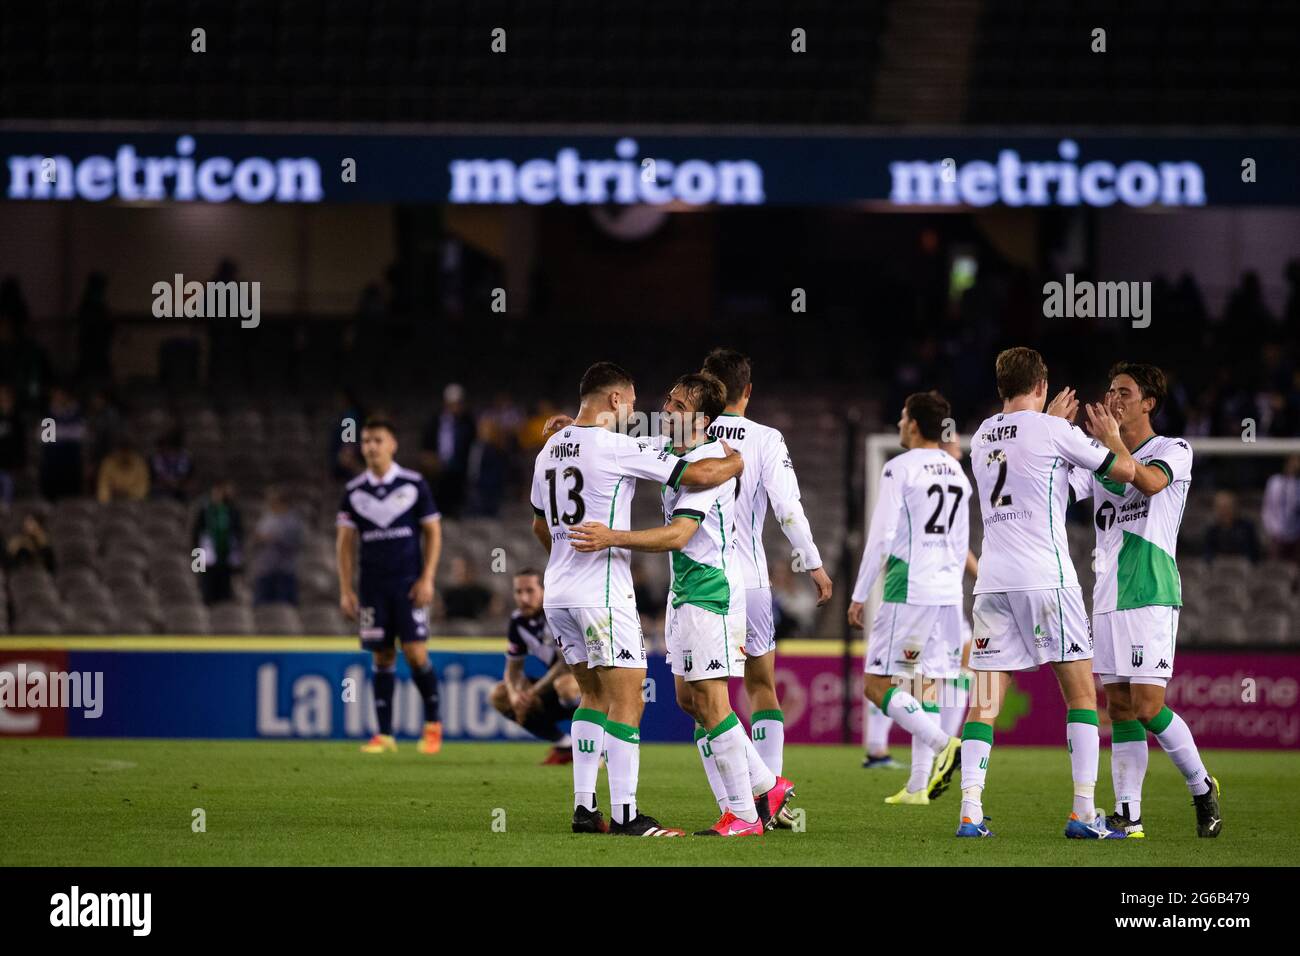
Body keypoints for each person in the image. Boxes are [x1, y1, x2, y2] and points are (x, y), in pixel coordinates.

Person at [570, 372, 796, 837]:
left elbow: (679, 535)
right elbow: (626, 443)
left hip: (708, 590)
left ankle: (744, 815)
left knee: (712, 701)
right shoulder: (680, 451)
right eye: (668, 400)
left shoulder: (711, 460)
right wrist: (574, 430)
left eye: (676, 405)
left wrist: (613, 537)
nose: (666, 409)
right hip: (685, 592)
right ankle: (767, 786)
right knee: (687, 698)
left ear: (704, 418)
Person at [528, 361, 742, 836]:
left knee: (591, 696)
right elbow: (699, 474)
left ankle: (585, 810)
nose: (636, 410)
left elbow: (540, 524)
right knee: (628, 700)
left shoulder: (547, 452)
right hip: (601, 593)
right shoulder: (616, 446)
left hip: (558, 592)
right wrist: (736, 462)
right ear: (614, 401)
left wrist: (566, 555)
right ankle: (626, 815)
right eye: (631, 401)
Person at [958, 346, 1137, 839]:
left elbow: (1054, 483)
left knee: (984, 702)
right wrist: (1105, 437)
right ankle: (1082, 811)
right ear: (1041, 385)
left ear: (1002, 387)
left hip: (992, 581)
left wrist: (1054, 432)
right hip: (1046, 578)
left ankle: (970, 811)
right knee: (1080, 694)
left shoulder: (979, 437)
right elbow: (1121, 473)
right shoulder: (1055, 431)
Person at [1069, 363, 1221, 838]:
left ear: (1148, 402)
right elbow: (1058, 493)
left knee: (1149, 705)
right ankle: (1128, 815)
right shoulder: (1098, 462)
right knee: (1118, 708)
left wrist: (1110, 443)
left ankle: (1202, 788)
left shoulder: (1173, 449)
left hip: (1151, 591)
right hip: (1107, 594)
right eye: (1111, 390)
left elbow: (1150, 483)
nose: (1114, 398)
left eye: (1125, 392)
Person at [700, 348, 833, 796]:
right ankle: (771, 790)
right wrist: (813, 563)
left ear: (706, 386)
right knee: (761, 686)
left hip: (703, 579)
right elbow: (788, 509)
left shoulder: (687, 432)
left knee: (706, 696)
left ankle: (738, 798)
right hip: (753, 580)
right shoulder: (766, 438)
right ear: (748, 390)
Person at [848, 391, 971, 806]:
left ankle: (944, 745)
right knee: (926, 684)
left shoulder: (899, 467)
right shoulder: (957, 474)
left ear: (914, 424)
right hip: (948, 594)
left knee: (875, 684)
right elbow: (960, 543)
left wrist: (860, 593)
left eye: (902, 417)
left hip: (909, 587)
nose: (899, 424)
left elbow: (881, 535)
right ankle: (918, 786)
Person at [336, 416, 444, 755]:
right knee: (381, 655)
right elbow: (344, 543)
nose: (370, 446)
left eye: (377, 440)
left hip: (408, 585)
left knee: (414, 653)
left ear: (392, 444)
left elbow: (433, 531)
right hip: (372, 586)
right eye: (366, 441)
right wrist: (346, 589)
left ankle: (432, 725)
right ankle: (384, 735)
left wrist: (427, 578)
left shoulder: (413, 484)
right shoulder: (354, 491)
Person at [489, 569, 580, 764]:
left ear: (545, 590)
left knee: (566, 685)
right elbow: (513, 669)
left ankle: (594, 744)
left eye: (530, 591)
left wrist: (532, 692)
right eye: (518, 592)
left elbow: (566, 665)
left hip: (584, 686)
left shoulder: (558, 612)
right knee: (500, 695)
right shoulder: (518, 621)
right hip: (552, 687)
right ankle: (565, 746)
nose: (524, 598)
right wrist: (516, 695)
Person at [420, 383, 476, 518]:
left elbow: (470, 443)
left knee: (456, 482)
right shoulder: (435, 420)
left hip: (458, 465)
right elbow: (427, 441)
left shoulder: (467, 421)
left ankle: (455, 510)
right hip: (438, 463)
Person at [252, 487, 305, 606]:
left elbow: (293, 542)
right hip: (266, 569)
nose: (270, 504)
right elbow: (258, 537)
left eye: (273, 501)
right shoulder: (267, 517)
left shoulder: (292, 520)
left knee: (284, 606)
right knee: (261, 606)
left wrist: (273, 538)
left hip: (284, 570)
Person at [193, 480, 243, 604]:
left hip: (226, 557)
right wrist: (197, 563)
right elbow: (196, 536)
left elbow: (238, 535)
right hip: (207, 557)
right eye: (216, 493)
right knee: (208, 590)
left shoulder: (231, 511)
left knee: (225, 591)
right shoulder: (205, 511)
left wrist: (237, 560)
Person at [1203, 490, 1260, 563]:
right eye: (1220, 508)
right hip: (1218, 570)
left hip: (1243, 569)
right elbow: (1207, 555)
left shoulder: (1247, 528)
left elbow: (1253, 555)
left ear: (1235, 508)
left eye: (1226, 507)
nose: (1223, 512)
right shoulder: (1212, 531)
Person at [1261, 454, 1300, 561]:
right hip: (1276, 533)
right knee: (1275, 567)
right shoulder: (1274, 481)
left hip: (1296, 533)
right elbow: (1267, 507)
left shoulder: (1298, 484)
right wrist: (1270, 528)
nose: (1296, 465)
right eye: (1294, 461)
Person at [440, 556, 496, 620]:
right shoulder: (448, 594)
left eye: (462, 569)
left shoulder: (482, 593)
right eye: (456, 569)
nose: (459, 572)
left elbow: (493, 611)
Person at [96, 439, 150, 503]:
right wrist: (106, 499)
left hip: (134, 502)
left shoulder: (139, 463)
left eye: (127, 450)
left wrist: (129, 495)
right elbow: (103, 487)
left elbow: (142, 488)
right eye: (122, 450)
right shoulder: (108, 463)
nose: (124, 454)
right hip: (112, 502)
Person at [0, 382, 25, 505]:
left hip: (9, 467)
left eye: (5, 395)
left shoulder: (17, 418)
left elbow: (20, 444)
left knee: (7, 505)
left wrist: (19, 463)